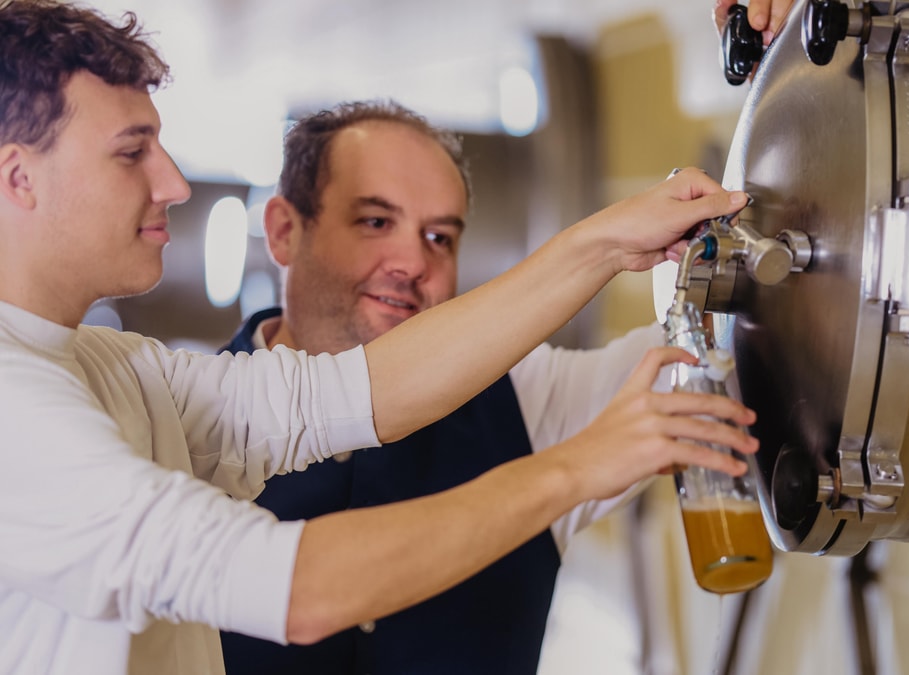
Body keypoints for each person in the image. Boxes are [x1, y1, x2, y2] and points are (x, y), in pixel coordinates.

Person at [0, 3, 761, 674]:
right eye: (131, 150)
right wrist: (575, 468)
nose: (173, 183)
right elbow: (293, 588)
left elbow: (347, 392)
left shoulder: (112, 364)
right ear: (18, 176)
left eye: (440, 236)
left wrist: (603, 243)